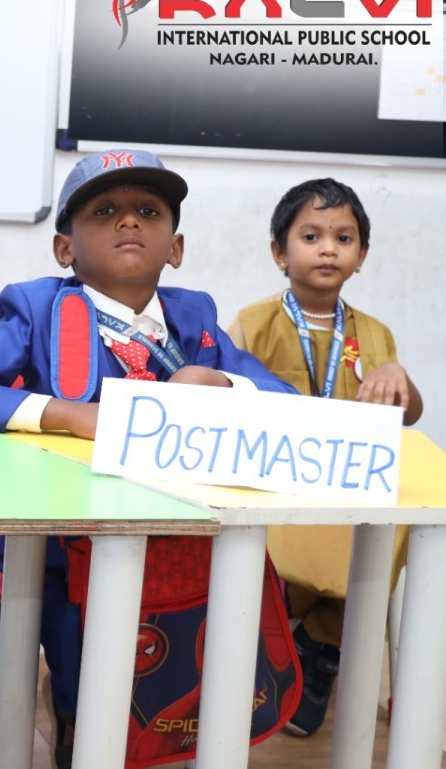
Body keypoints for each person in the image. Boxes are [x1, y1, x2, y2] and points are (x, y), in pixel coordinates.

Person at [0, 148, 297, 767]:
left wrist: (220, 382)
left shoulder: (195, 317)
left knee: (193, 673)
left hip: (182, 546)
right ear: (64, 248)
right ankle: (73, 720)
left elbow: (282, 397)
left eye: (148, 211)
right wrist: (67, 414)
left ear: (175, 247)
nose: (128, 221)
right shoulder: (36, 308)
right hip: (67, 548)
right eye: (104, 211)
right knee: (88, 688)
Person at [228, 178, 422, 737]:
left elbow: (408, 415)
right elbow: (223, 395)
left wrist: (398, 376)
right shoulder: (254, 323)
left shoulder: (375, 336)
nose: (328, 249)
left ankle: (318, 646)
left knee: (391, 530)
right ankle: (297, 640)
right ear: (279, 252)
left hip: (349, 492)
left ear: (362, 256)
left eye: (344, 238)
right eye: (311, 236)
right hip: (273, 487)